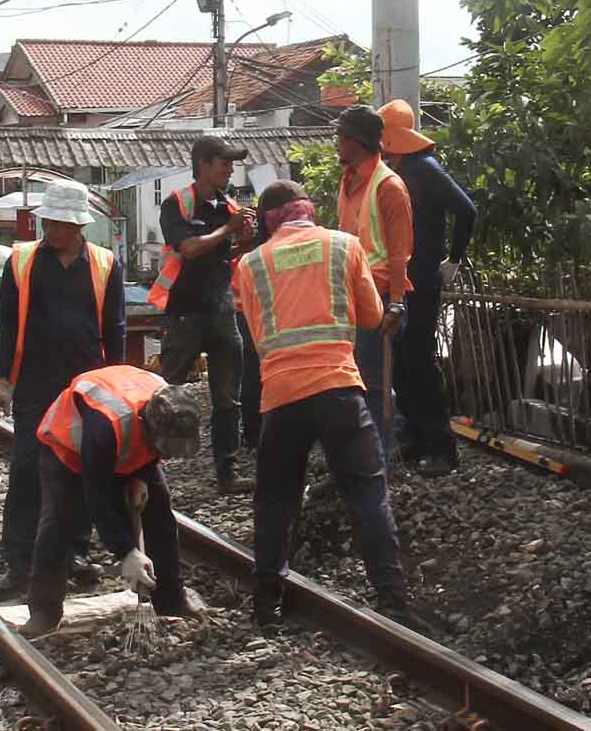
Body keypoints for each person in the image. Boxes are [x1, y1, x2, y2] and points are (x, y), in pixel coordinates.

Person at [232, 179, 418, 632]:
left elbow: (257, 338)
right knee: (367, 494)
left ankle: (266, 604)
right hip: (338, 388)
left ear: (270, 219)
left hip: (280, 395)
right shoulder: (344, 246)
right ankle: (393, 602)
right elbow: (373, 318)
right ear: (307, 211)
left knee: (276, 500)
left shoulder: (251, 264)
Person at [0, 180, 124, 604]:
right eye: (48, 221)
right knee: (26, 470)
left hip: (85, 385)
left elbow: (114, 330)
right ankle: (19, 563)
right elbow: (6, 324)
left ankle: (73, 553)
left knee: (81, 469)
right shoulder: (22, 261)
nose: (52, 230)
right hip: (35, 383)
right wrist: (1, 382)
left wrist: (116, 385)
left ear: (79, 225)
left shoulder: (105, 264)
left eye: (61, 223)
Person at [21, 364, 203, 636]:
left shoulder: (167, 401)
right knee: (59, 523)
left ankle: (171, 601)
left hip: (124, 443)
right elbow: (98, 495)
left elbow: (153, 447)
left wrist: (141, 475)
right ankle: (44, 611)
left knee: (161, 514)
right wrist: (126, 552)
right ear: (147, 425)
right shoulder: (107, 425)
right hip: (68, 451)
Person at [146, 135, 257, 495]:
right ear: (204, 165)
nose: (230, 170)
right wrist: (229, 228)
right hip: (186, 314)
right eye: (225, 163)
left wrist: (245, 238)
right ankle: (144, 469)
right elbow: (190, 248)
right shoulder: (178, 203)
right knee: (162, 393)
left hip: (223, 313)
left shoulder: (227, 207)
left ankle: (227, 473)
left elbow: (225, 253)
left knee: (229, 400)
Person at [378, 99, 476, 477]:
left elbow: (467, 209)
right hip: (404, 281)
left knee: (418, 362)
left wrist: (454, 258)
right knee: (403, 362)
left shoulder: (423, 169)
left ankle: (441, 447)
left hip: (421, 279)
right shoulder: (401, 169)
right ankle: (417, 437)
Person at [333, 104, 411, 470]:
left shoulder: (389, 186)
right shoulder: (348, 182)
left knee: (375, 383)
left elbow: (399, 253)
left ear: (357, 141)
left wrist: (396, 303)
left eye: (341, 136)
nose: (337, 142)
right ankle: (365, 454)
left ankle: (382, 458)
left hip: (378, 296)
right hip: (351, 294)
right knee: (357, 380)